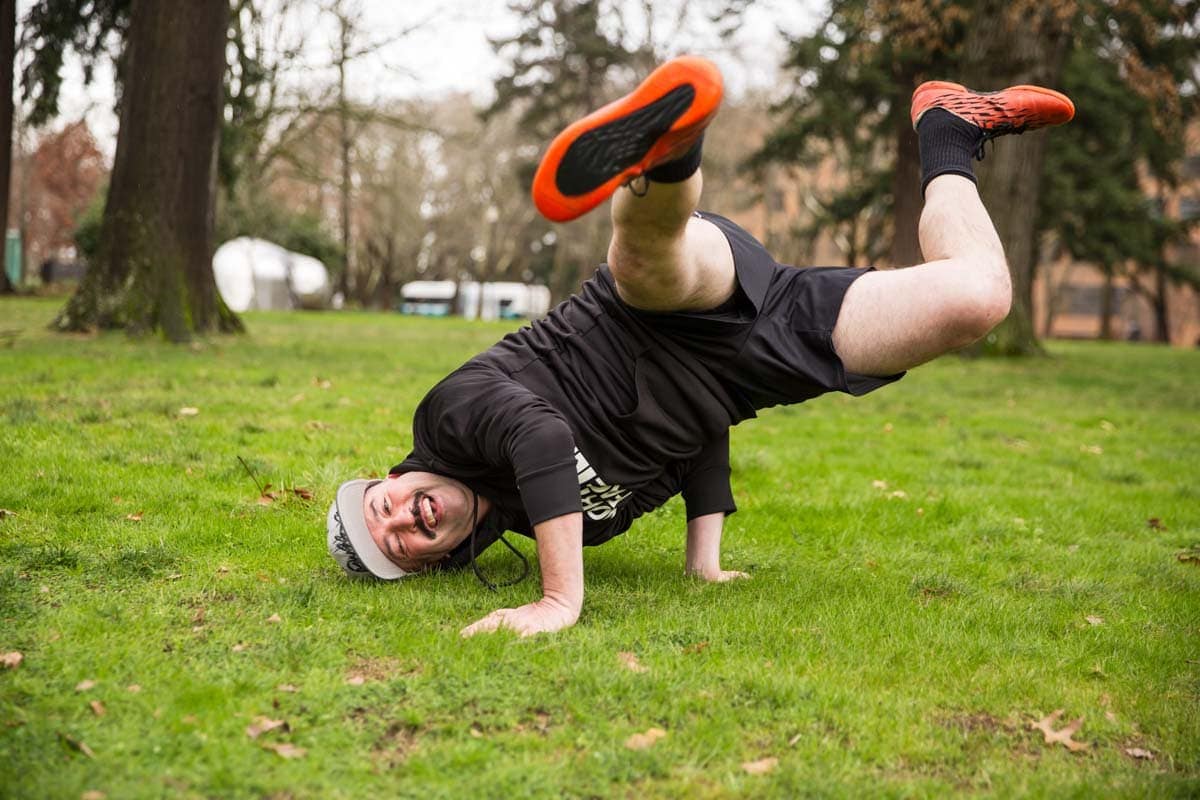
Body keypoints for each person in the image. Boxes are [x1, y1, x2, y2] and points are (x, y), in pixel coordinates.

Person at [325, 56, 1074, 637]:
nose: (398, 520)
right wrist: (702, 561)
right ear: (438, 559)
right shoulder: (550, 524)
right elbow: (690, 437)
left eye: (381, 505)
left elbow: (542, 434)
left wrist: (560, 599)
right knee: (978, 298)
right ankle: (949, 129)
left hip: (648, 308)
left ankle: (668, 150)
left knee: (655, 259)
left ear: (392, 476)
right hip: (756, 356)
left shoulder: (449, 418)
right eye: (394, 544)